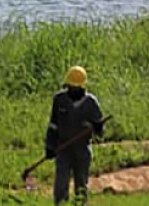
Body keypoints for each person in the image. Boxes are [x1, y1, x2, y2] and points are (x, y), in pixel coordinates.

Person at [46, 66, 105, 205]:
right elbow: (53, 125)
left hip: (82, 150)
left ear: (82, 87)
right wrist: (50, 146)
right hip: (63, 148)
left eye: (75, 88)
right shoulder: (59, 100)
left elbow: (101, 132)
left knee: (81, 185)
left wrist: (97, 127)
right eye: (70, 87)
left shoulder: (91, 103)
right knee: (61, 184)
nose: (71, 90)